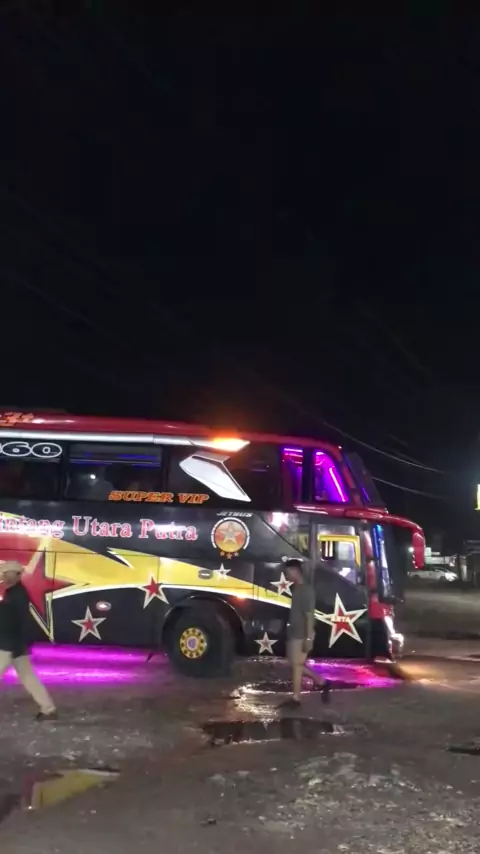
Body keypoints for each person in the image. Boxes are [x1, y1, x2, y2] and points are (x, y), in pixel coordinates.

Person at [0, 561, 57, 720]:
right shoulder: (14, 592)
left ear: (17, 575)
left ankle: (49, 709)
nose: (4, 576)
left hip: (8, 644)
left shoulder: (16, 594)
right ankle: (48, 709)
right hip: (16, 643)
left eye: (8, 573)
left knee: (28, 677)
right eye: (4, 573)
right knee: (28, 677)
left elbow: (11, 620)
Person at [281, 558, 330, 708]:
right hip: (294, 632)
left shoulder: (306, 591)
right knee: (295, 663)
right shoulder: (297, 589)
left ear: (295, 571)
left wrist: (309, 638)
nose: (286, 576)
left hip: (301, 634)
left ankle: (296, 699)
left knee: (297, 665)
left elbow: (309, 616)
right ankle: (321, 682)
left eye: (288, 572)